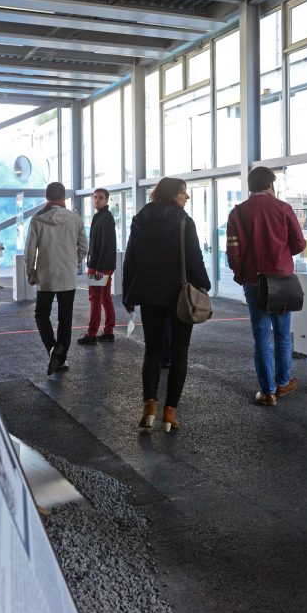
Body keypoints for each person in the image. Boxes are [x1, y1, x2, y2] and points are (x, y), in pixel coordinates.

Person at [122, 177, 210, 433]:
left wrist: (129, 294)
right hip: (179, 294)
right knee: (180, 353)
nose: (187, 197)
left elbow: (131, 260)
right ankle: (170, 412)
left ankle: (149, 406)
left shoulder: (139, 220)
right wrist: (204, 285)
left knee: (152, 351)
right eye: (184, 192)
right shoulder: (184, 221)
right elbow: (195, 259)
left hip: (149, 293)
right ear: (174, 195)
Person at [225, 166, 306, 407]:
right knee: (282, 334)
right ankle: (282, 382)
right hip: (282, 280)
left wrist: (241, 275)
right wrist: (281, 255)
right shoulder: (284, 208)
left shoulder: (238, 213)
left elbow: (233, 251)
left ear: (251, 186)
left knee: (261, 336)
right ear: (271, 184)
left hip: (254, 281)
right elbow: (300, 244)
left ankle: (268, 391)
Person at [25, 182, 88, 377]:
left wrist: (31, 273)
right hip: (67, 278)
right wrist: (73, 262)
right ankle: (60, 357)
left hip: (45, 276)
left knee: (41, 315)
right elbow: (84, 247)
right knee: (65, 318)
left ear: (47, 197)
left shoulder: (37, 220)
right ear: (63, 198)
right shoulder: (75, 219)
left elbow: (30, 251)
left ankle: (53, 348)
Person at [77, 188, 117, 345]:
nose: (97, 200)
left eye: (100, 198)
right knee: (104, 298)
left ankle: (92, 334)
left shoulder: (105, 218)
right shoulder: (100, 216)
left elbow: (106, 245)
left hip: (100, 266)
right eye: (95, 197)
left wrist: (98, 268)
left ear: (107, 200)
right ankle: (108, 332)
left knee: (95, 298)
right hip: (101, 264)